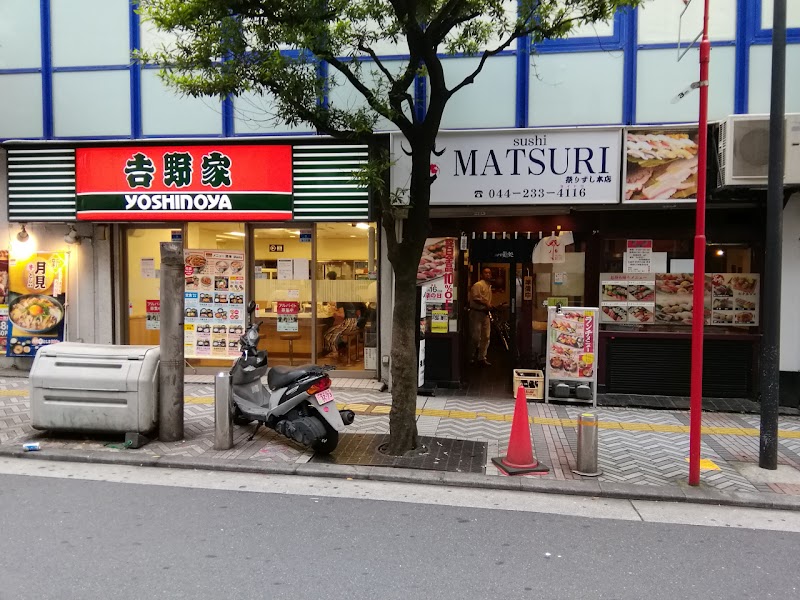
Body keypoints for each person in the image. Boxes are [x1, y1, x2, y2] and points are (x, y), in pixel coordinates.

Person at [469, 267, 494, 366]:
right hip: (476, 313)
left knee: (486, 336)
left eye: (489, 273)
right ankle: (471, 356)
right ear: (482, 275)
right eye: (486, 273)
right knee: (475, 337)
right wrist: (486, 303)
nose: (488, 275)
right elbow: (475, 298)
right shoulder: (478, 285)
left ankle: (482, 357)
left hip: (485, 314)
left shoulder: (489, 286)